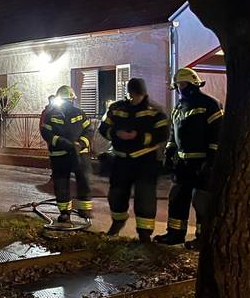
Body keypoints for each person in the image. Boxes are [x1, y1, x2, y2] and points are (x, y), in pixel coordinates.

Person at [154, 68, 223, 249]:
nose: (179, 89)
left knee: (201, 203)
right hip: (182, 163)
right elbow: (173, 134)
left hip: (202, 163)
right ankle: (175, 234)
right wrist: (169, 153)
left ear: (193, 84)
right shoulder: (178, 107)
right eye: (177, 86)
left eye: (182, 85)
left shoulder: (210, 104)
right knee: (177, 199)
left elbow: (217, 134)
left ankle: (204, 238)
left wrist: (211, 160)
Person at [98, 78, 170, 241]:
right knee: (116, 195)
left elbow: (163, 134)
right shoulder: (116, 109)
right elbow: (104, 128)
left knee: (145, 198)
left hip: (145, 162)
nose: (134, 98)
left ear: (143, 93)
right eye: (132, 94)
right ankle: (117, 222)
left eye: (137, 95)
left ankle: (144, 234)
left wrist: (138, 137)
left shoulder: (155, 111)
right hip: (121, 161)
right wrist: (116, 134)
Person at [40, 86, 94, 223]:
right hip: (61, 155)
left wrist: (80, 144)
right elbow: (46, 133)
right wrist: (65, 143)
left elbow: (89, 130)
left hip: (79, 154)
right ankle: (65, 212)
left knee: (83, 181)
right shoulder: (51, 115)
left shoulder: (80, 114)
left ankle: (84, 209)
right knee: (62, 183)